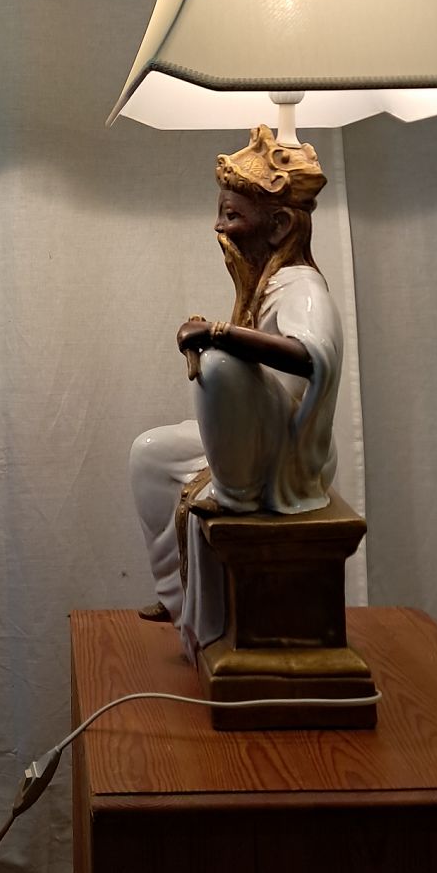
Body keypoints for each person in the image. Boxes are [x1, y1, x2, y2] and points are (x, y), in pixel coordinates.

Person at [129, 124, 342, 659]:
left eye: (232, 215)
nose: (219, 227)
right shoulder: (264, 283)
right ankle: (176, 599)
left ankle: (237, 499)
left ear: (280, 225)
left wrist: (220, 336)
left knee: (221, 364)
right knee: (150, 454)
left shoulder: (301, 286)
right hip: (258, 433)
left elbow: (310, 356)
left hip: (289, 453)